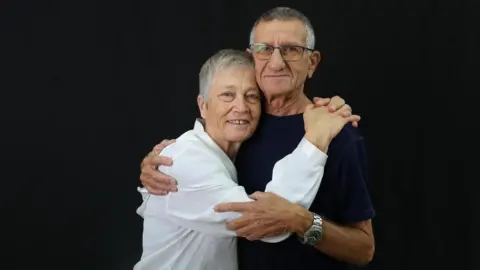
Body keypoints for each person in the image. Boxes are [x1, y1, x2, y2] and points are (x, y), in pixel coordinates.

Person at [139, 7, 375, 270]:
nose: (276, 62)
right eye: (265, 49)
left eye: (291, 49)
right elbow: (194, 161)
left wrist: (306, 222)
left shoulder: (339, 136)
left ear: (313, 62)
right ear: (253, 57)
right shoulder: (240, 129)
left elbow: (364, 249)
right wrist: (156, 163)